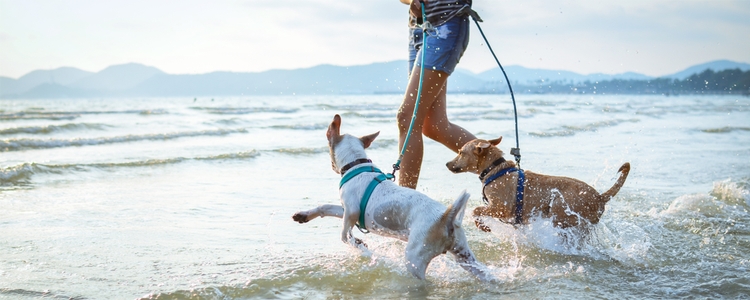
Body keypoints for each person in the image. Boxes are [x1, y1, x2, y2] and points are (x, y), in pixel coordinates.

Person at [396, 0, 477, 189]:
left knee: (407, 118)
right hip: (418, 30)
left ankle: (403, 203)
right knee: (434, 126)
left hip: (447, 24)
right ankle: (506, 174)